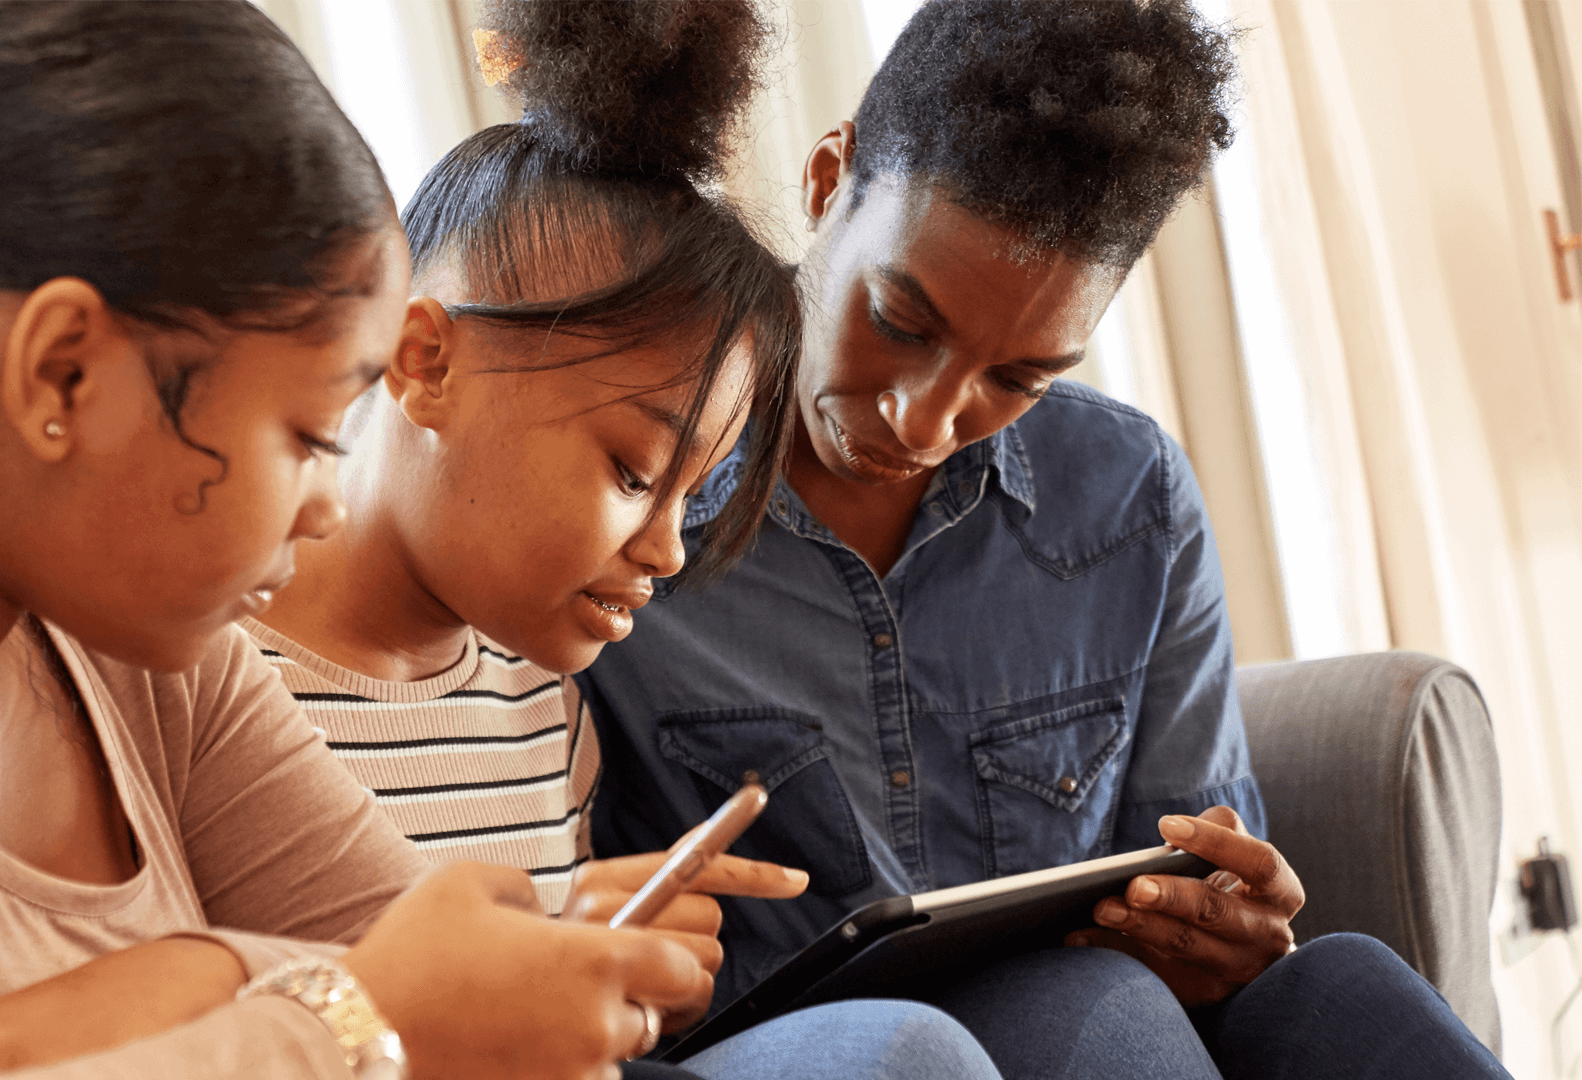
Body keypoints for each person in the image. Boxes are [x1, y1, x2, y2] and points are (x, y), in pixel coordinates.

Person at [0, 4, 717, 1079]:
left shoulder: (135, 643)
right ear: (63, 372)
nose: (327, 507)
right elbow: (388, 994)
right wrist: (342, 1023)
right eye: (308, 435)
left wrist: (192, 986)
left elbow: (429, 961)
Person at [579, 3, 1513, 1079]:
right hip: (781, 1052)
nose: (925, 422)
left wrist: (1219, 935)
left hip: (1082, 1028)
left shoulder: (1129, 498)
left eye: (1019, 378)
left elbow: (1194, 880)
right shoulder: (631, 480)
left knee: (1338, 986)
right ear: (829, 182)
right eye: (901, 321)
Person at [244, 5, 1006, 1078]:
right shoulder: (217, 677)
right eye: (633, 472)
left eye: (692, 496)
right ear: (425, 364)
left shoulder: (536, 694)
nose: (668, 552)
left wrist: (608, 965)